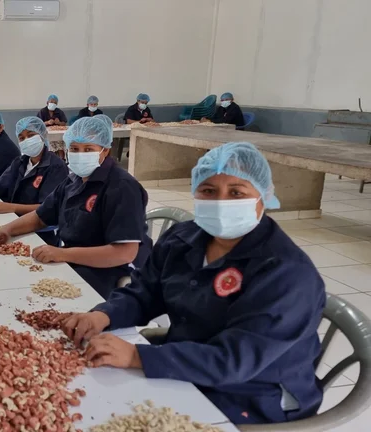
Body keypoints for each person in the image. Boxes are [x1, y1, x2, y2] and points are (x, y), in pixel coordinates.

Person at [60, 142, 325, 425]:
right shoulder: (184, 239)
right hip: (186, 360)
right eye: (209, 191)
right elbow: (145, 291)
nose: (221, 202)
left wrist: (138, 356)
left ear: (262, 197)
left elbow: (233, 361)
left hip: (253, 394)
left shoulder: (285, 273)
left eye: (236, 192)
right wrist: (105, 314)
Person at [0, 117, 152, 297]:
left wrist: (63, 254)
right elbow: (41, 216)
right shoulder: (73, 181)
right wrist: (7, 230)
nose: (80, 154)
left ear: (105, 151)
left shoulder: (122, 187)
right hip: (75, 258)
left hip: (112, 270)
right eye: (74, 149)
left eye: (88, 149)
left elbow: (124, 253)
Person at [0, 117, 68, 244]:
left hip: (39, 231)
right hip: (11, 220)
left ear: (42, 136)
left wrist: (12, 207)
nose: (26, 140)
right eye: (22, 138)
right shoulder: (20, 162)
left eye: (31, 135)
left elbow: (45, 208)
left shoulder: (56, 167)